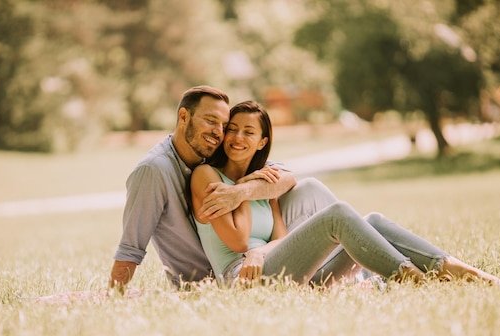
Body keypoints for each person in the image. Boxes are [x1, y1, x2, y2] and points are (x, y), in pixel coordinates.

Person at [190, 100, 500, 288]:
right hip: (243, 279)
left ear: (262, 142)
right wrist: (242, 193)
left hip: (276, 267)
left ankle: (467, 273)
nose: (237, 137)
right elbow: (237, 243)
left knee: (372, 220)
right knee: (338, 215)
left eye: (248, 132)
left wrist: (248, 193)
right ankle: (417, 283)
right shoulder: (207, 175)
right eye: (232, 129)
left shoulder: (262, 182)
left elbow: (279, 237)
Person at [110, 86, 338, 294]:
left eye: (223, 125)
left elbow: (287, 179)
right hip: (206, 279)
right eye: (210, 121)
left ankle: (358, 270)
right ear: (183, 117)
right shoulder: (154, 171)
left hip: (254, 258)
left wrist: (242, 191)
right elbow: (131, 247)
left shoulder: (211, 152)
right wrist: (114, 296)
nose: (218, 132)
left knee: (310, 190)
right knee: (337, 220)